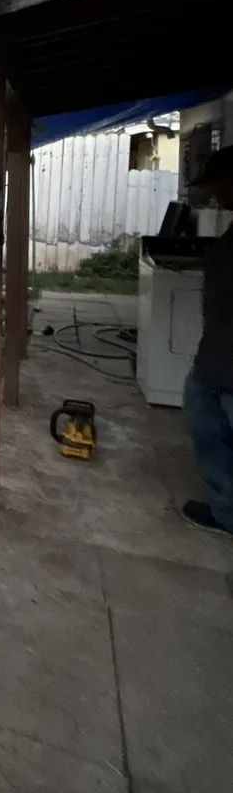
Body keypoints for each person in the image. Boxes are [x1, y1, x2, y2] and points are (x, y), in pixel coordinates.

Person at [183, 145, 233, 537]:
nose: (216, 195)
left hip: (226, 359)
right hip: (215, 354)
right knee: (207, 428)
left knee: (214, 430)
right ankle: (226, 508)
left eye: (219, 185)